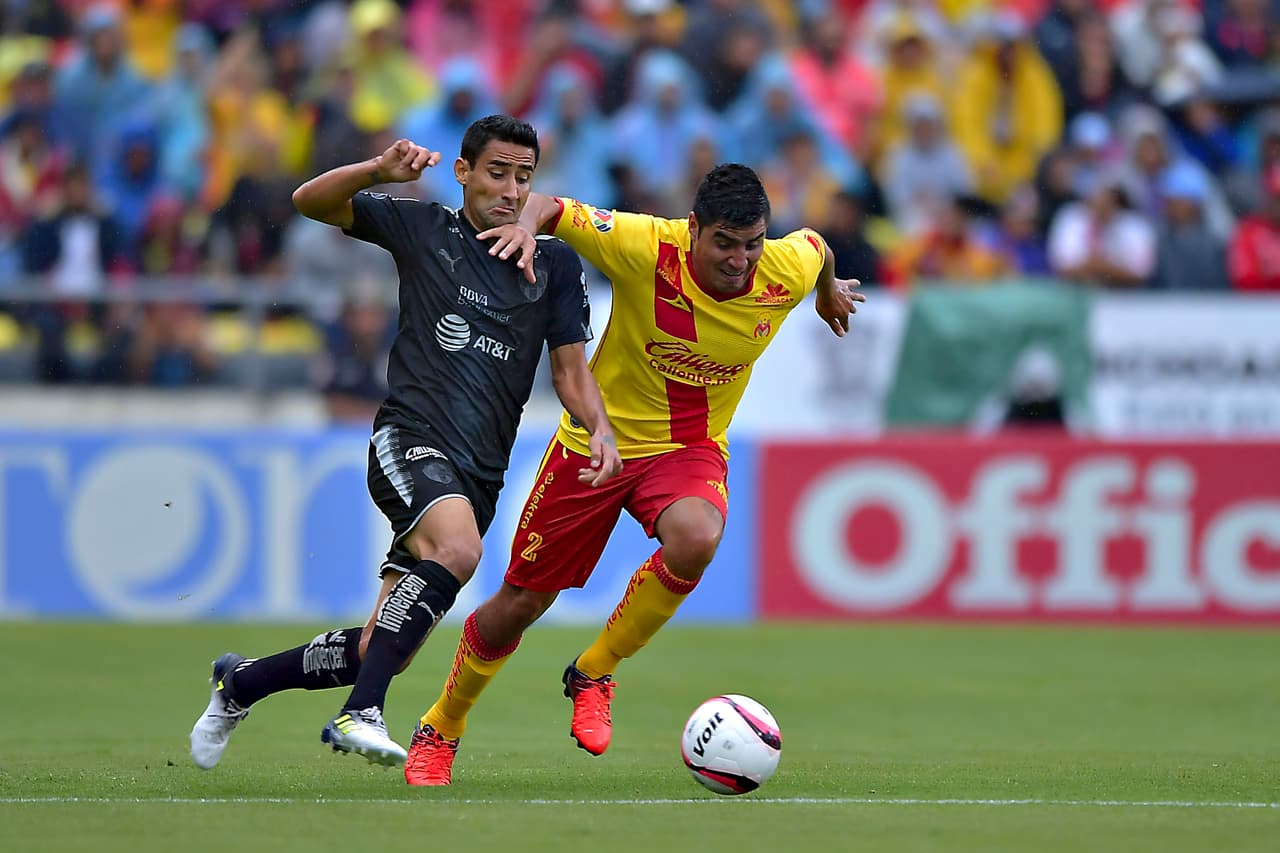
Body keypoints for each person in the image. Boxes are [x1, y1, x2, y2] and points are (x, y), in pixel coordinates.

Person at [402, 163, 863, 785]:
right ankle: (443, 723)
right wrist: (528, 231)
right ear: (693, 228)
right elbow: (546, 205)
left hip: (688, 446)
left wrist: (828, 290)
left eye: (752, 243)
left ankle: (594, 669)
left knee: (698, 536)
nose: (739, 259)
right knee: (522, 602)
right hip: (598, 443)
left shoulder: (785, 266)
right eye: (724, 243)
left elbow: (819, 247)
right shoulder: (644, 243)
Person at [189, 115, 622, 770]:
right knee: (459, 549)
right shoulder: (428, 230)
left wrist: (602, 429)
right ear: (464, 173)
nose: (509, 189)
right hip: (409, 439)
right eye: (497, 172)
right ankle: (360, 713)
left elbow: (569, 372)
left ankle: (240, 682)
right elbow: (308, 202)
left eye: (523, 177)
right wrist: (375, 171)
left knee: (380, 643)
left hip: (478, 474)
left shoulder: (554, 263)